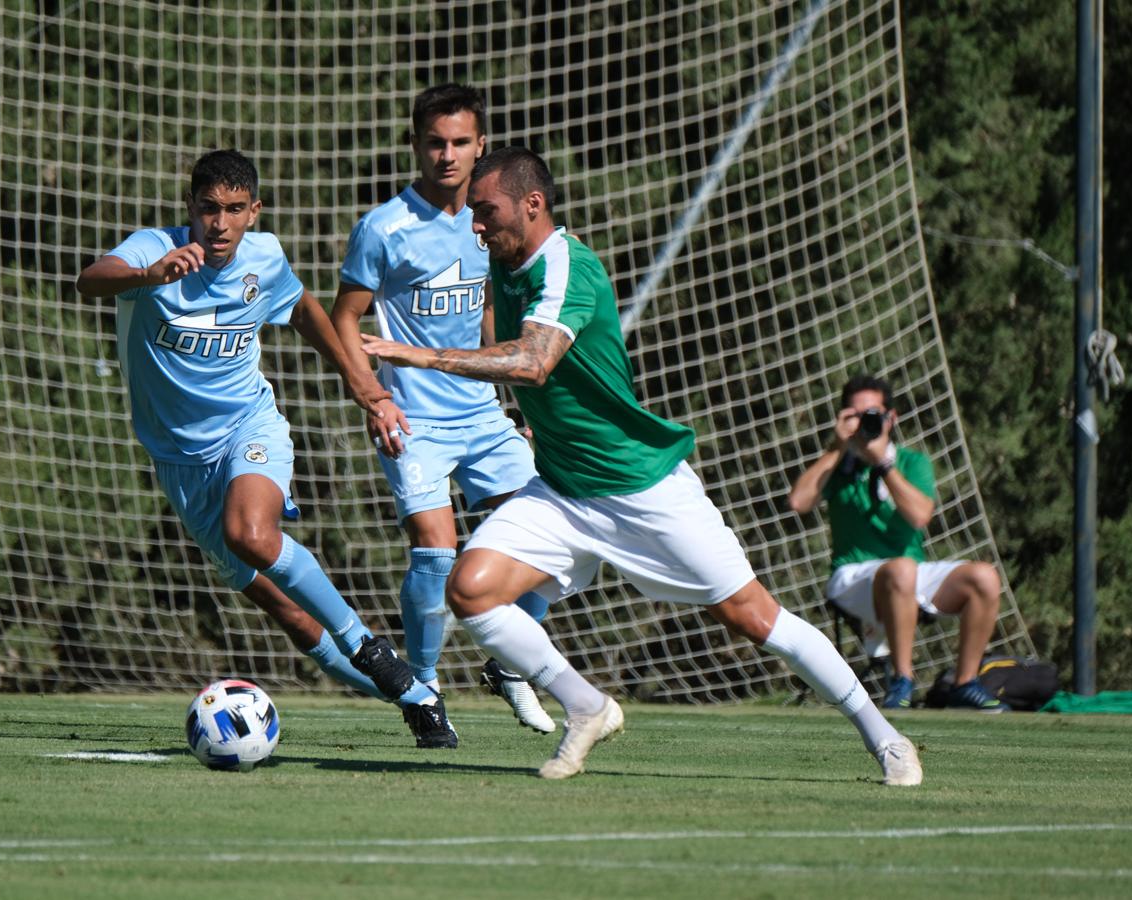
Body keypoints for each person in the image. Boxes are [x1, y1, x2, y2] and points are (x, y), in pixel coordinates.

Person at [360, 146, 923, 785]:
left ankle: (887, 738)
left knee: (755, 618)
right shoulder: (504, 265)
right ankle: (585, 705)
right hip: (565, 492)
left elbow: (533, 361)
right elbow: (533, 366)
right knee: (470, 588)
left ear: (533, 204)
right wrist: (537, 420)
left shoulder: (569, 266)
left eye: (487, 211)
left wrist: (423, 356)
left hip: (642, 487)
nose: (476, 225)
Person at [74, 148, 454, 745]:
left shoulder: (264, 256)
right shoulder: (153, 249)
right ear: (190, 208)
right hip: (179, 462)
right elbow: (89, 281)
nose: (218, 224)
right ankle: (414, 694)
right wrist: (150, 276)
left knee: (249, 533)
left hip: (250, 427)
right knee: (292, 614)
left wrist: (356, 377)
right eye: (206, 209)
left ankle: (366, 645)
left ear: (254, 211)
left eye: (232, 210)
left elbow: (302, 309)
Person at [331, 84, 555, 740]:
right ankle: (423, 690)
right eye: (435, 142)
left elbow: (490, 314)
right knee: (436, 549)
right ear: (415, 146)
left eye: (461, 142)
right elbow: (345, 319)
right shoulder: (383, 227)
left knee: (552, 531)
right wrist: (372, 396)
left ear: (481, 145)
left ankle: (511, 664)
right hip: (414, 421)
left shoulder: (490, 217)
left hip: (484, 415)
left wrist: (524, 403)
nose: (448, 154)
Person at [787, 373, 1008, 711]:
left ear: (891, 418)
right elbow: (798, 502)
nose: (866, 422)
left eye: (872, 414)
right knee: (901, 570)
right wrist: (837, 447)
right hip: (851, 576)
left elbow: (920, 516)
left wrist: (883, 463)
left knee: (984, 577)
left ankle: (965, 683)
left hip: (907, 572)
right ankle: (902, 680)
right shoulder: (838, 464)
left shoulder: (910, 462)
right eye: (856, 415)